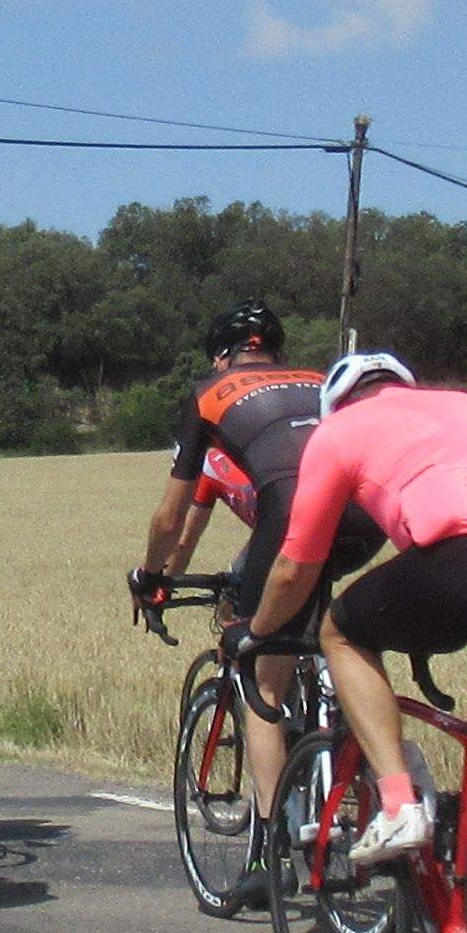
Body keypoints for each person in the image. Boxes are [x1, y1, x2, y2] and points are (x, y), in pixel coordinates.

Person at [240, 349, 467, 880]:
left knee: (341, 632)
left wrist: (257, 632)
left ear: (337, 404)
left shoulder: (339, 430)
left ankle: (399, 804)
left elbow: (294, 569)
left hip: (458, 558)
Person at [129, 302, 331, 886]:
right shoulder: (320, 381)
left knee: (259, 676)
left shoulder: (212, 396)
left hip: (286, 523)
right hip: (357, 516)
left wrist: (153, 578)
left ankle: (268, 855)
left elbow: (172, 522)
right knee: (337, 636)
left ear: (221, 356)